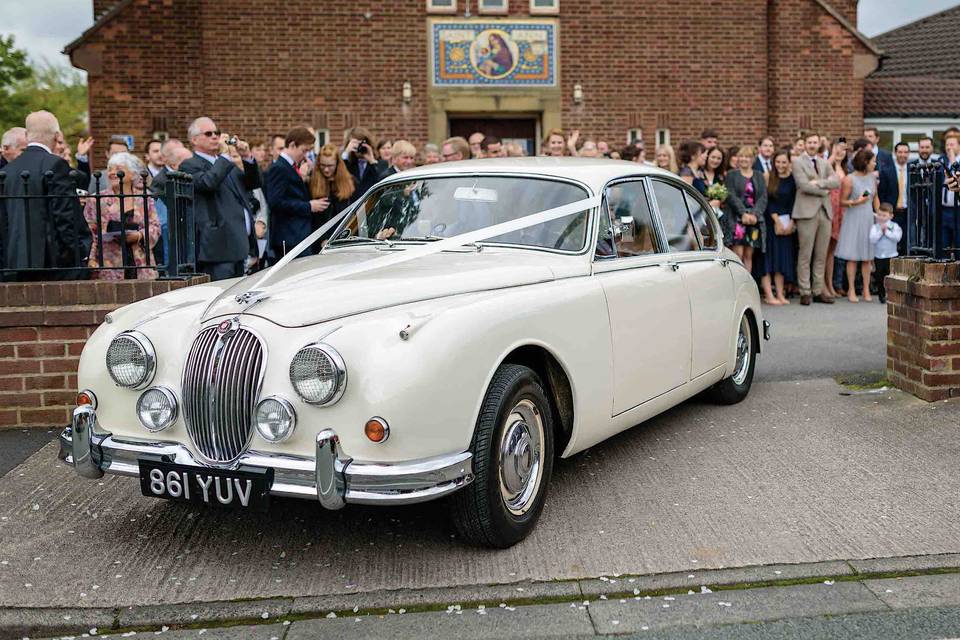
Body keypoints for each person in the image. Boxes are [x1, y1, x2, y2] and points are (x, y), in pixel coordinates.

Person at [0, 111, 90, 280]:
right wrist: (77, 252)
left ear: (27, 135)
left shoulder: (7, 171)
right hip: (52, 261)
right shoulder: (56, 164)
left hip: (13, 263)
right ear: (57, 136)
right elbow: (65, 217)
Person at [180, 116, 261, 280]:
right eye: (208, 133)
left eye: (217, 132)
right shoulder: (190, 164)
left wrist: (246, 157)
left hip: (239, 244)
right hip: (218, 247)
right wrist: (225, 156)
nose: (215, 137)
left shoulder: (224, 163)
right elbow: (208, 183)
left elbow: (252, 183)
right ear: (194, 140)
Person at [83, 151, 160, 280]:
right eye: (110, 169)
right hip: (109, 262)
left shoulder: (144, 198)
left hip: (140, 261)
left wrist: (139, 235)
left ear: (132, 174)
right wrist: (91, 259)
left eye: (118, 169)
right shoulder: (97, 200)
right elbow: (90, 232)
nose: (112, 172)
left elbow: (155, 226)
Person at [266, 126, 329, 258]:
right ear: (292, 145)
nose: (305, 155)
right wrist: (309, 206)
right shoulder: (279, 168)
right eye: (304, 150)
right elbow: (275, 202)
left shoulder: (291, 167)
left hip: (298, 235)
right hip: (289, 237)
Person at [793, 131, 840, 305]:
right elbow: (803, 185)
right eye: (810, 142)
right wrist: (825, 188)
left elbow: (836, 182)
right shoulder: (797, 162)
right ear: (805, 144)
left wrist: (819, 183)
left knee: (821, 254)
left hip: (825, 212)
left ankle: (818, 290)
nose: (813, 145)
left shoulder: (824, 162)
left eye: (815, 142)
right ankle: (805, 291)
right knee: (805, 253)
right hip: (806, 212)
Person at [836, 148, 880, 303]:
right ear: (865, 162)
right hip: (853, 218)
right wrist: (856, 202)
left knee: (867, 257)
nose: (875, 163)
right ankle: (852, 290)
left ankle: (866, 290)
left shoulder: (872, 178)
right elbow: (841, 201)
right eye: (873, 161)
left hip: (868, 218)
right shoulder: (849, 179)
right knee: (853, 257)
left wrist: (880, 214)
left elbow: (875, 198)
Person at [724, 146, 767, 275]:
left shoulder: (759, 175)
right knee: (738, 254)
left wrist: (754, 214)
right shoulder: (732, 175)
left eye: (747, 157)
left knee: (749, 255)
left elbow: (763, 197)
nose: (744, 159)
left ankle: (747, 283)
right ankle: (738, 282)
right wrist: (743, 213)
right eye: (741, 156)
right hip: (737, 219)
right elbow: (730, 195)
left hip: (753, 220)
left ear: (753, 159)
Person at [763, 150, 797, 305]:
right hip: (772, 223)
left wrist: (791, 222)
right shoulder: (769, 177)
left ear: (789, 162)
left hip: (787, 223)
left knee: (782, 260)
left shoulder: (792, 179)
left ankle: (781, 293)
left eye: (784, 162)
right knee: (771, 258)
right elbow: (767, 201)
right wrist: (776, 220)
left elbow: (794, 202)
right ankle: (770, 294)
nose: (781, 165)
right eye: (778, 162)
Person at [308, 143, 357, 247]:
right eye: (323, 165)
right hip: (320, 241)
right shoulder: (312, 183)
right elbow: (314, 220)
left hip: (346, 238)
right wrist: (322, 240)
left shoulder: (350, 182)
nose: (326, 170)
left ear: (337, 164)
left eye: (330, 166)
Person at [825, 142, 847, 298]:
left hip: (841, 210)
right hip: (829, 209)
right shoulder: (827, 166)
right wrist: (832, 157)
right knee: (825, 251)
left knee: (833, 251)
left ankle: (831, 285)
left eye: (844, 150)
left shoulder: (846, 168)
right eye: (837, 149)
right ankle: (824, 285)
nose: (841, 152)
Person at [870, 202, 902, 304]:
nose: (881, 218)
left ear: (891, 216)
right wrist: (880, 232)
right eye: (879, 215)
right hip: (879, 256)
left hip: (891, 255)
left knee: (891, 276)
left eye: (884, 215)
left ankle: (892, 295)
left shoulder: (894, 226)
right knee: (879, 277)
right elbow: (872, 239)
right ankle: (881, 295)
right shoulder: (875, 227)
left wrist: (886, 232)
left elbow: (897, 238)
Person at [341, 126, 383, 198]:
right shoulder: (346, 163)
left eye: (361, 143)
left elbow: (381, 183)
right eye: (355, 143)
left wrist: (372, 161)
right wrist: (346, 152)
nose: (359, 147)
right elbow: (339, 175)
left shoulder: (379, 163)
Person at [864, 126, 898, 210]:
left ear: (877, 139)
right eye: (865, 137)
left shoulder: (886, 155)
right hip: (865, 196)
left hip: (883, 197)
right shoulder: (861, 155)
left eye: (870, 136)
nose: (867, 139)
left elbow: (892, 178)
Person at [892, 141, 909, 255]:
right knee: (892, 244)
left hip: (908, 213)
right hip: (892, 212)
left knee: (906, 243)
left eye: (905, 152)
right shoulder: (888, 170)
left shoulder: (914, 170)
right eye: (900, 152)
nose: (902, 154)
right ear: (895, 153)